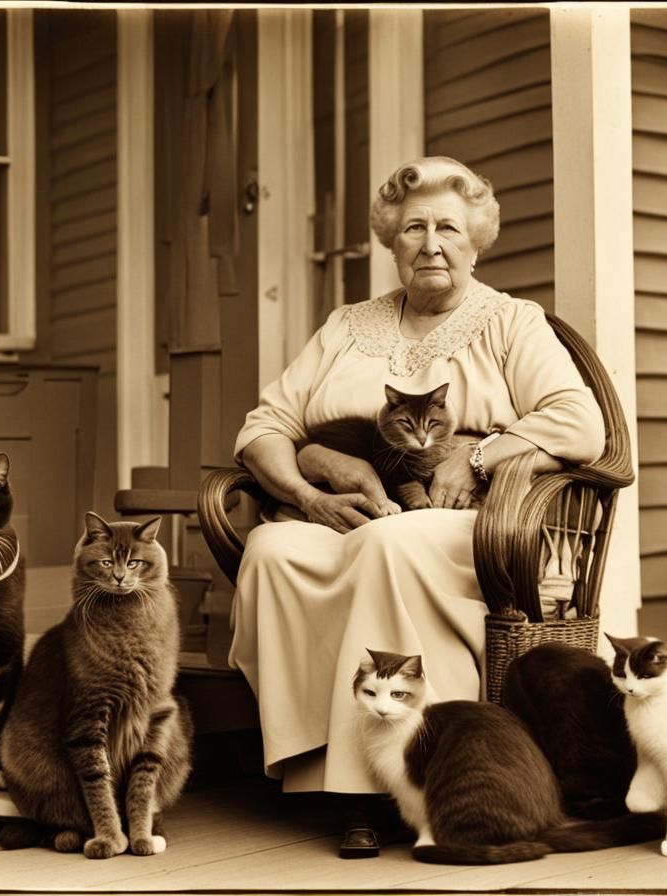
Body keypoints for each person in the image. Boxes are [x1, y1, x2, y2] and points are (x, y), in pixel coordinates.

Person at [229, 156, 605, 857]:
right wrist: (308, 489)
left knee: (387, 546)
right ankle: (327, 774)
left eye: (448, 228)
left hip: (481, 523)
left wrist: (480, 453)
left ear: (476, 240)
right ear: (391, 242)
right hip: (345, 513)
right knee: (273, 550)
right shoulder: (347, 325)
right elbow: (263, 428)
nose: (430, 243)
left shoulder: (510, 321)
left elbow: (580, 425)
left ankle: (397, 774)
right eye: (413, 229)